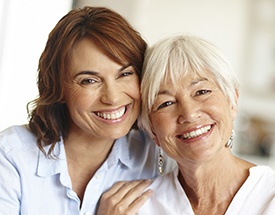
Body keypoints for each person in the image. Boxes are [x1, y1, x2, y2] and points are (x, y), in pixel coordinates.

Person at [0, 7, 175, 215]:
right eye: (90, 80)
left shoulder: (158, 154)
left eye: (125, 74)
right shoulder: (11, 155)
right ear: (59, 88)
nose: (112, 97)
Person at [136, 34, 275, 214]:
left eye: (201, 91)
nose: (189, 114)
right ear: (152, 130)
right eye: (166, 103)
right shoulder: (139, 207)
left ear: (232, 101)